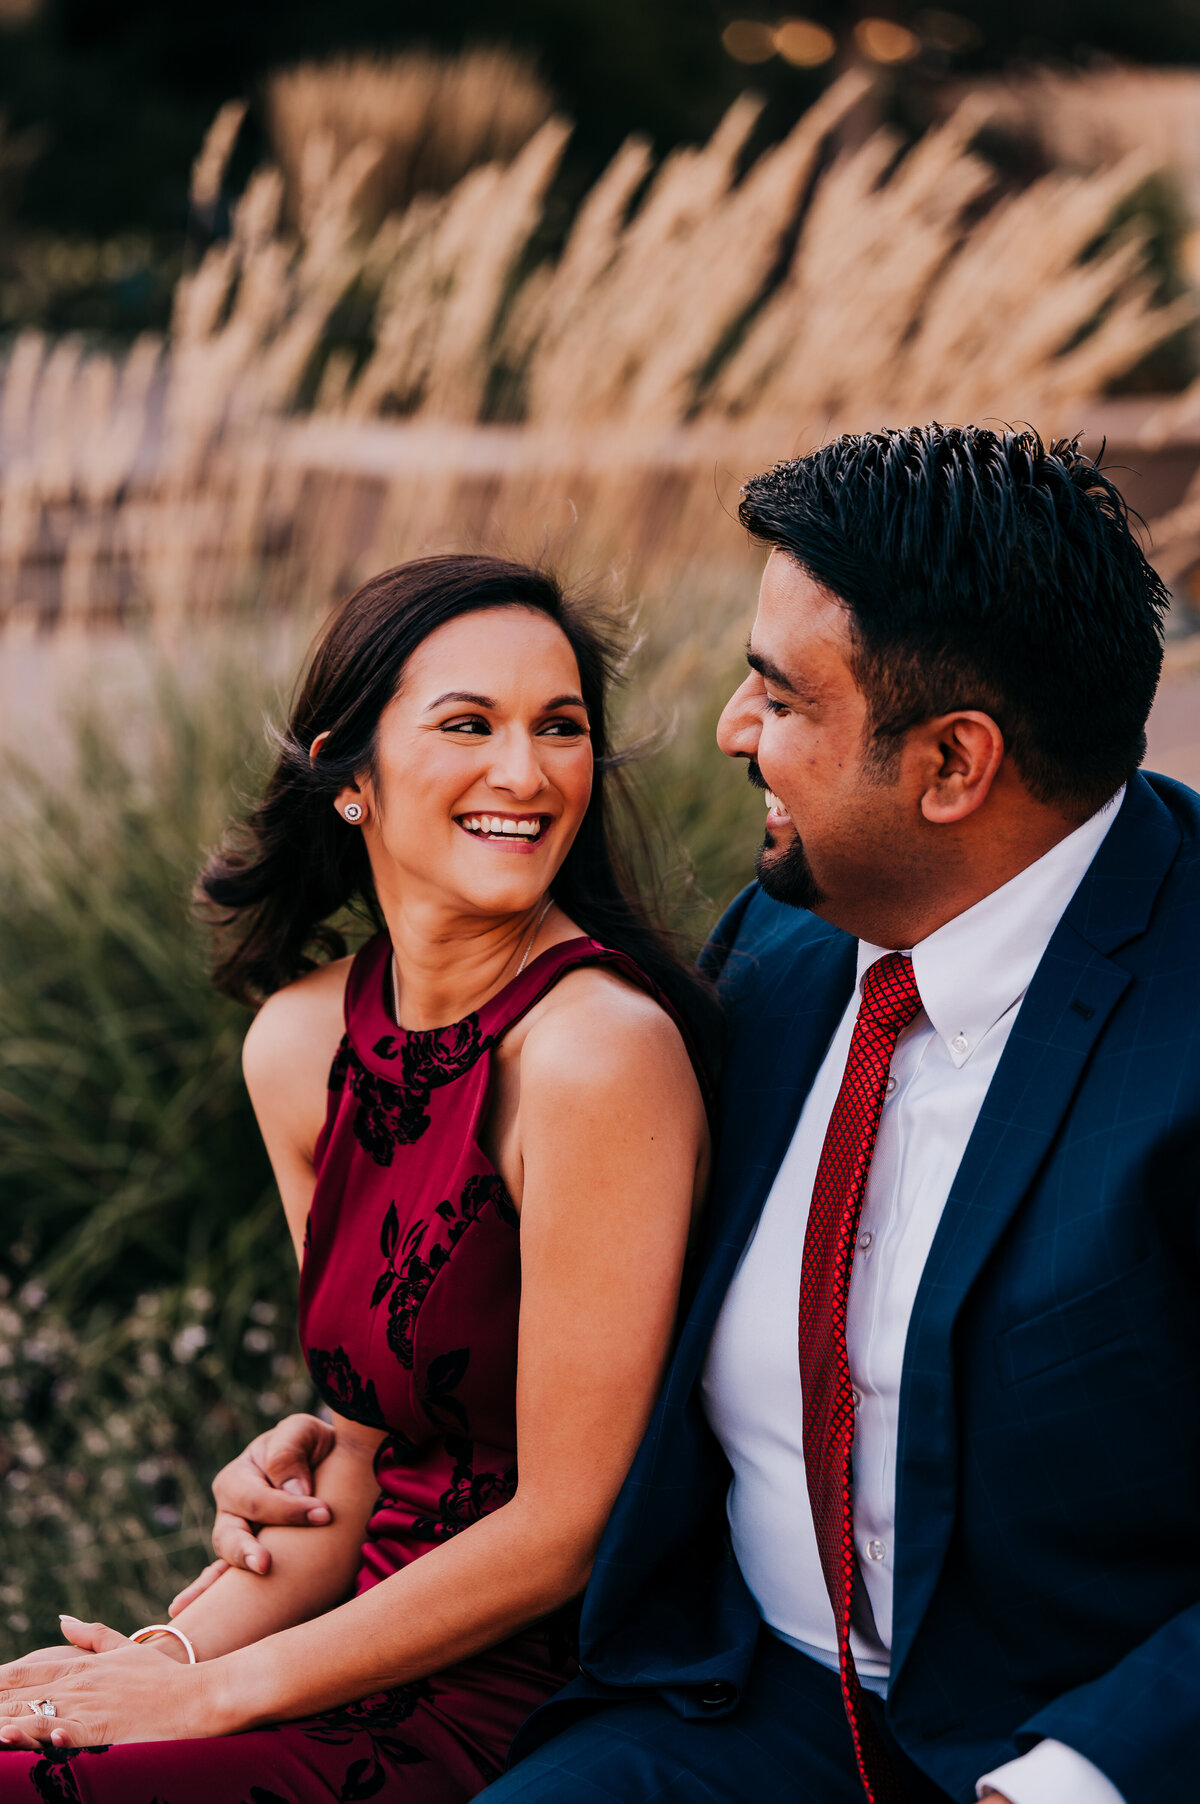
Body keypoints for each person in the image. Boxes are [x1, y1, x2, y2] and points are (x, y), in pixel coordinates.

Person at [186, 426, 1199, 1804]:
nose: (729, 729)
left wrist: (1081, 1777)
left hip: (1061, 1747)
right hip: (727, 1703)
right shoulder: (772, 955)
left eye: (779, 699)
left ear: (953, 765)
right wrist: (358, 1441)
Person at [0, 555, 715, 1802]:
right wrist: (166, 1652)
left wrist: (202, 1695)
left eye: (561, 727)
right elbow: (360, 1450)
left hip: (533, 1696)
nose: (526, 772)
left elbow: (565, 1529)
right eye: (467, 725)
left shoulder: (601, 1052)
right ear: (350, 781)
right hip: (339, 1646)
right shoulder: (298, 1042)